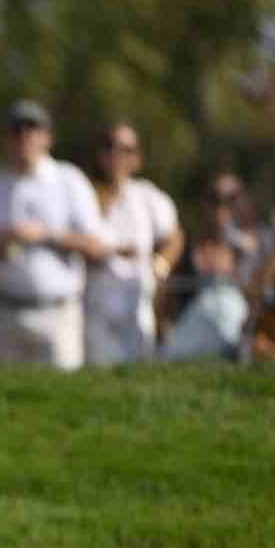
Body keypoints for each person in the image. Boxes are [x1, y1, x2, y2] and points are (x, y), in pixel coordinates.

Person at [0, 100, 108, 370]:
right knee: (5, 392)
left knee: (61, 392)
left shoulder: (69, 180)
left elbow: (95, 246)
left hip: (57, 313)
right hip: (5, 312)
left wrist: (46, 235)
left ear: (47, 137)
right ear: (6, 138)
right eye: (16, 130)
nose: (24, 137)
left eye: (31, 129)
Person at [85, 121, 184, 365]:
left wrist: (160, 265)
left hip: (137, 306)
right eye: (110, 146)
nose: (116, 154)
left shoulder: (147, 196)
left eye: (126, 149)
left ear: (137, 159)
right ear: (100, 154)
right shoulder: (83, 193)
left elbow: (175, 236)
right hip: (95, 308)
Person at [159, 174, 255, 362]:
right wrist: (164, 328)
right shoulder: (184, 245)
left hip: (235, 338)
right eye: (215, 200)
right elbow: (166, 296)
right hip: (189, 340)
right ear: (204, 203)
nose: (222, 209)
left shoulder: (248, 251)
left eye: (231, 201)